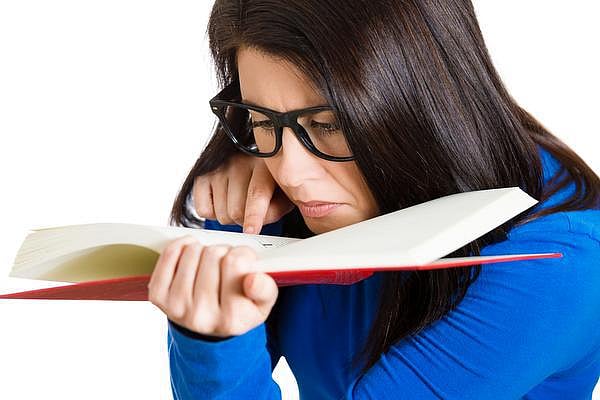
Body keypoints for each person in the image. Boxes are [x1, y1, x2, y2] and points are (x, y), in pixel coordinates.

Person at [147, 1, 600, 398]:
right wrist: (236, 225)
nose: (290, 173)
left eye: (327, 124)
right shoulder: (284, 183)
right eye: (262, 119)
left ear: (419, 102)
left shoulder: (555, 262)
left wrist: (217, 344)